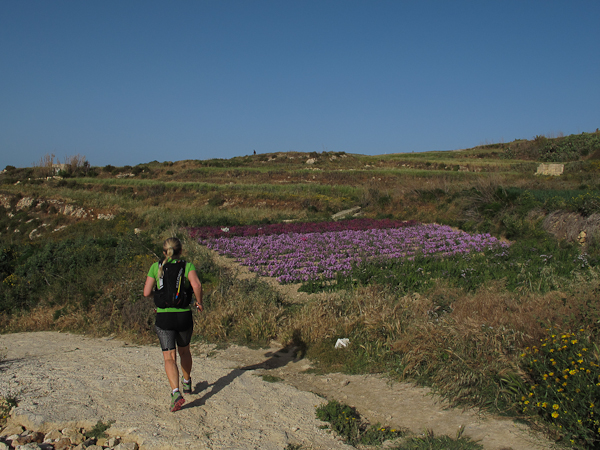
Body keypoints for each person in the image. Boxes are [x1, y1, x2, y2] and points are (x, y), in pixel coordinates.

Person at [143, 237, 203, 412]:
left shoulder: (156, 267)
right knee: (185, 351)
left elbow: (146, 292)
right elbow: (196, 284)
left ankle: (176, 393)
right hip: (183, 315)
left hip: (164, 318)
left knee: (169, 357)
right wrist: (199, 302)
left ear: (164, 252)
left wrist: (158, 296)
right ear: (181, 251)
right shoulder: (187, 266)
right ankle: (187, 381)